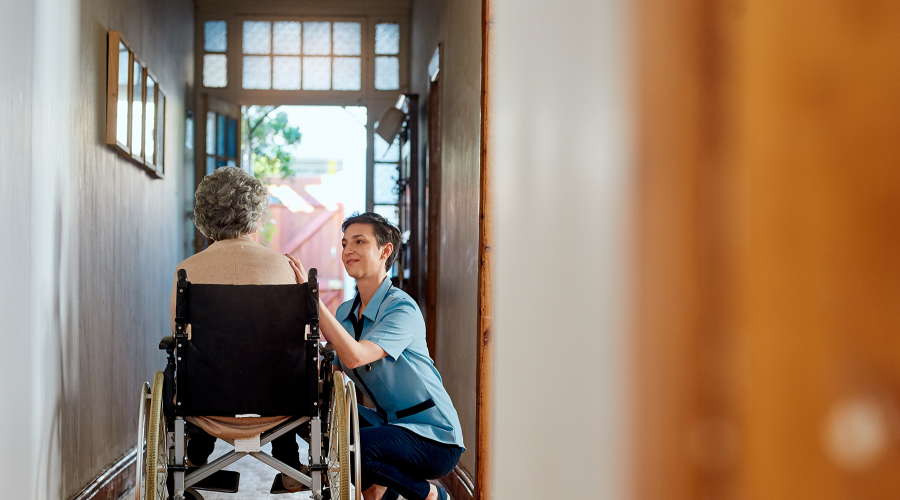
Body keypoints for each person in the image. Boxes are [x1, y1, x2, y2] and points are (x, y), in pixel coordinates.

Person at [286, 212, 464, 500]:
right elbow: (334, 371)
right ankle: (377, 492)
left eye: (359, 241)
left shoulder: (401, 309)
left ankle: (429, 495)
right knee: (311, 419)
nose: (348, 251)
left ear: (385, 251)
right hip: (389, 424)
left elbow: (356, 356)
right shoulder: (345, 312)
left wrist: (315, 302)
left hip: (434, 436)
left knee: (352, 447)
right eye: (344, 244)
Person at [169, 166, 307, 492]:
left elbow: (182, 338)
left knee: (200, 363)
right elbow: (298, 341)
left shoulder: (187, 271)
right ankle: (289, 468)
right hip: (279, 403)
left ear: (205, 215)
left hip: (206, 401)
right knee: (283, 366)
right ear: (257, 215)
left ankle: (196, 460)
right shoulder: (286, 268)